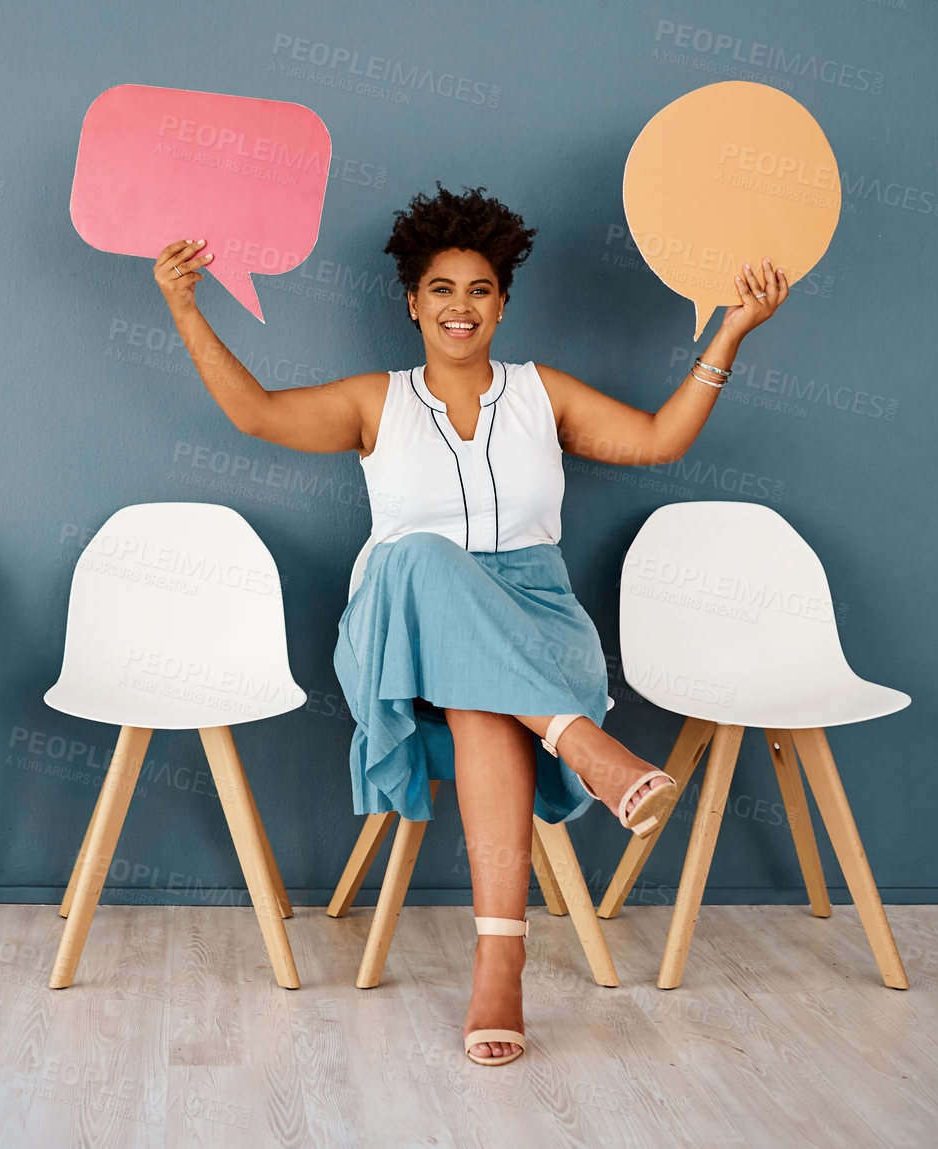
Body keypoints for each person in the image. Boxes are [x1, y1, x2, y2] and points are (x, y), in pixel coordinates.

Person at [151, 183, 788, 1066]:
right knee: (418, 555)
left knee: (486, 705)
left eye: (479, 289)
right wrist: (183, 306)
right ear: (412, 303)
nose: (461, 306)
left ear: (502, 303)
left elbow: (655, 440)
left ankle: (500, 960)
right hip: (398, 626)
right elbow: (256, 412)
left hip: (533, 619)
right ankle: (584, 745)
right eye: (442, 289)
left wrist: (730, 332)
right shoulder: (375, 401)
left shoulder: (541, 394)